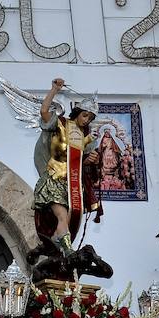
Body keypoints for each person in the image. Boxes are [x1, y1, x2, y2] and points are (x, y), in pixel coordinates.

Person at [33, 77, 100, 252]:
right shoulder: (60, 124)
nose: (86, 120)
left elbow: (82, 165)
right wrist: (54, 90)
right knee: (62, 216)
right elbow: (44, 111)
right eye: (85, 115)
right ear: (77, 112)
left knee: (69, 217)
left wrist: (91, 160)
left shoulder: (87, 137)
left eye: (90, 118)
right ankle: (68, 250)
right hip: (54, 178)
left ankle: (57, 242)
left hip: (71, 185)